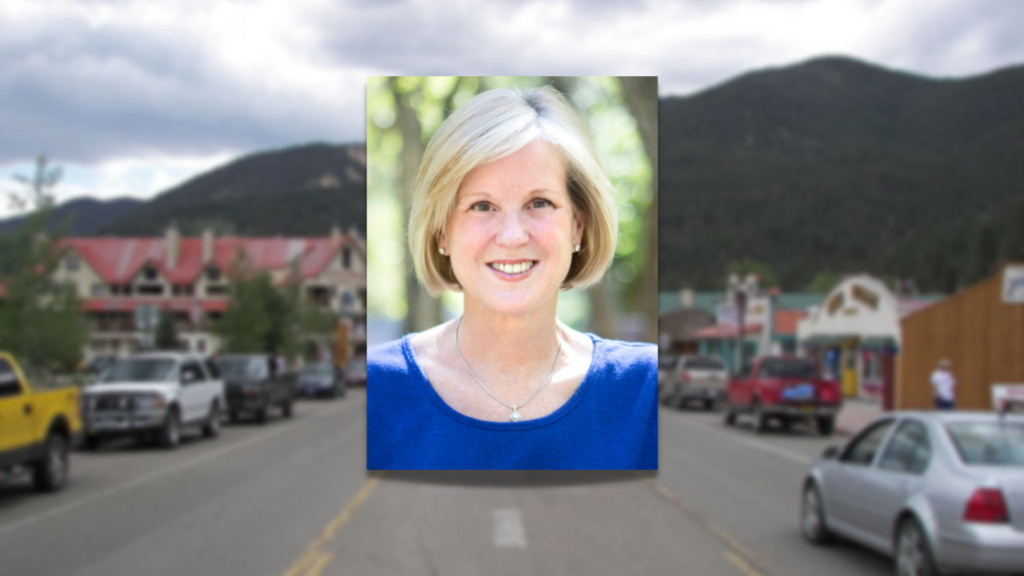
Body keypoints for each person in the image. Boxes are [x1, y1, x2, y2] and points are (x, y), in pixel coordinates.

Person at [368, 85, 657, 470]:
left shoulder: (646, 389)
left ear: (577, 226)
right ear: (441, 232)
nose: (512, 235)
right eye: (482, 206)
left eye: (539, 203)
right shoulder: (375, 389)